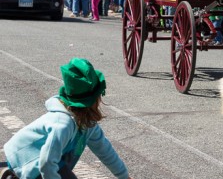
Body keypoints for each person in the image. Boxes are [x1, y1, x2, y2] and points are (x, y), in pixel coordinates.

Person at [2, 58, 132, 179]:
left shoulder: (88, 123)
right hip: (24, 158)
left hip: (46, 160)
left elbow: (104, 150)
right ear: (95, 100)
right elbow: (46, 162)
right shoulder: (62, 124)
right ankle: (13, 175)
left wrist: (124, 176)